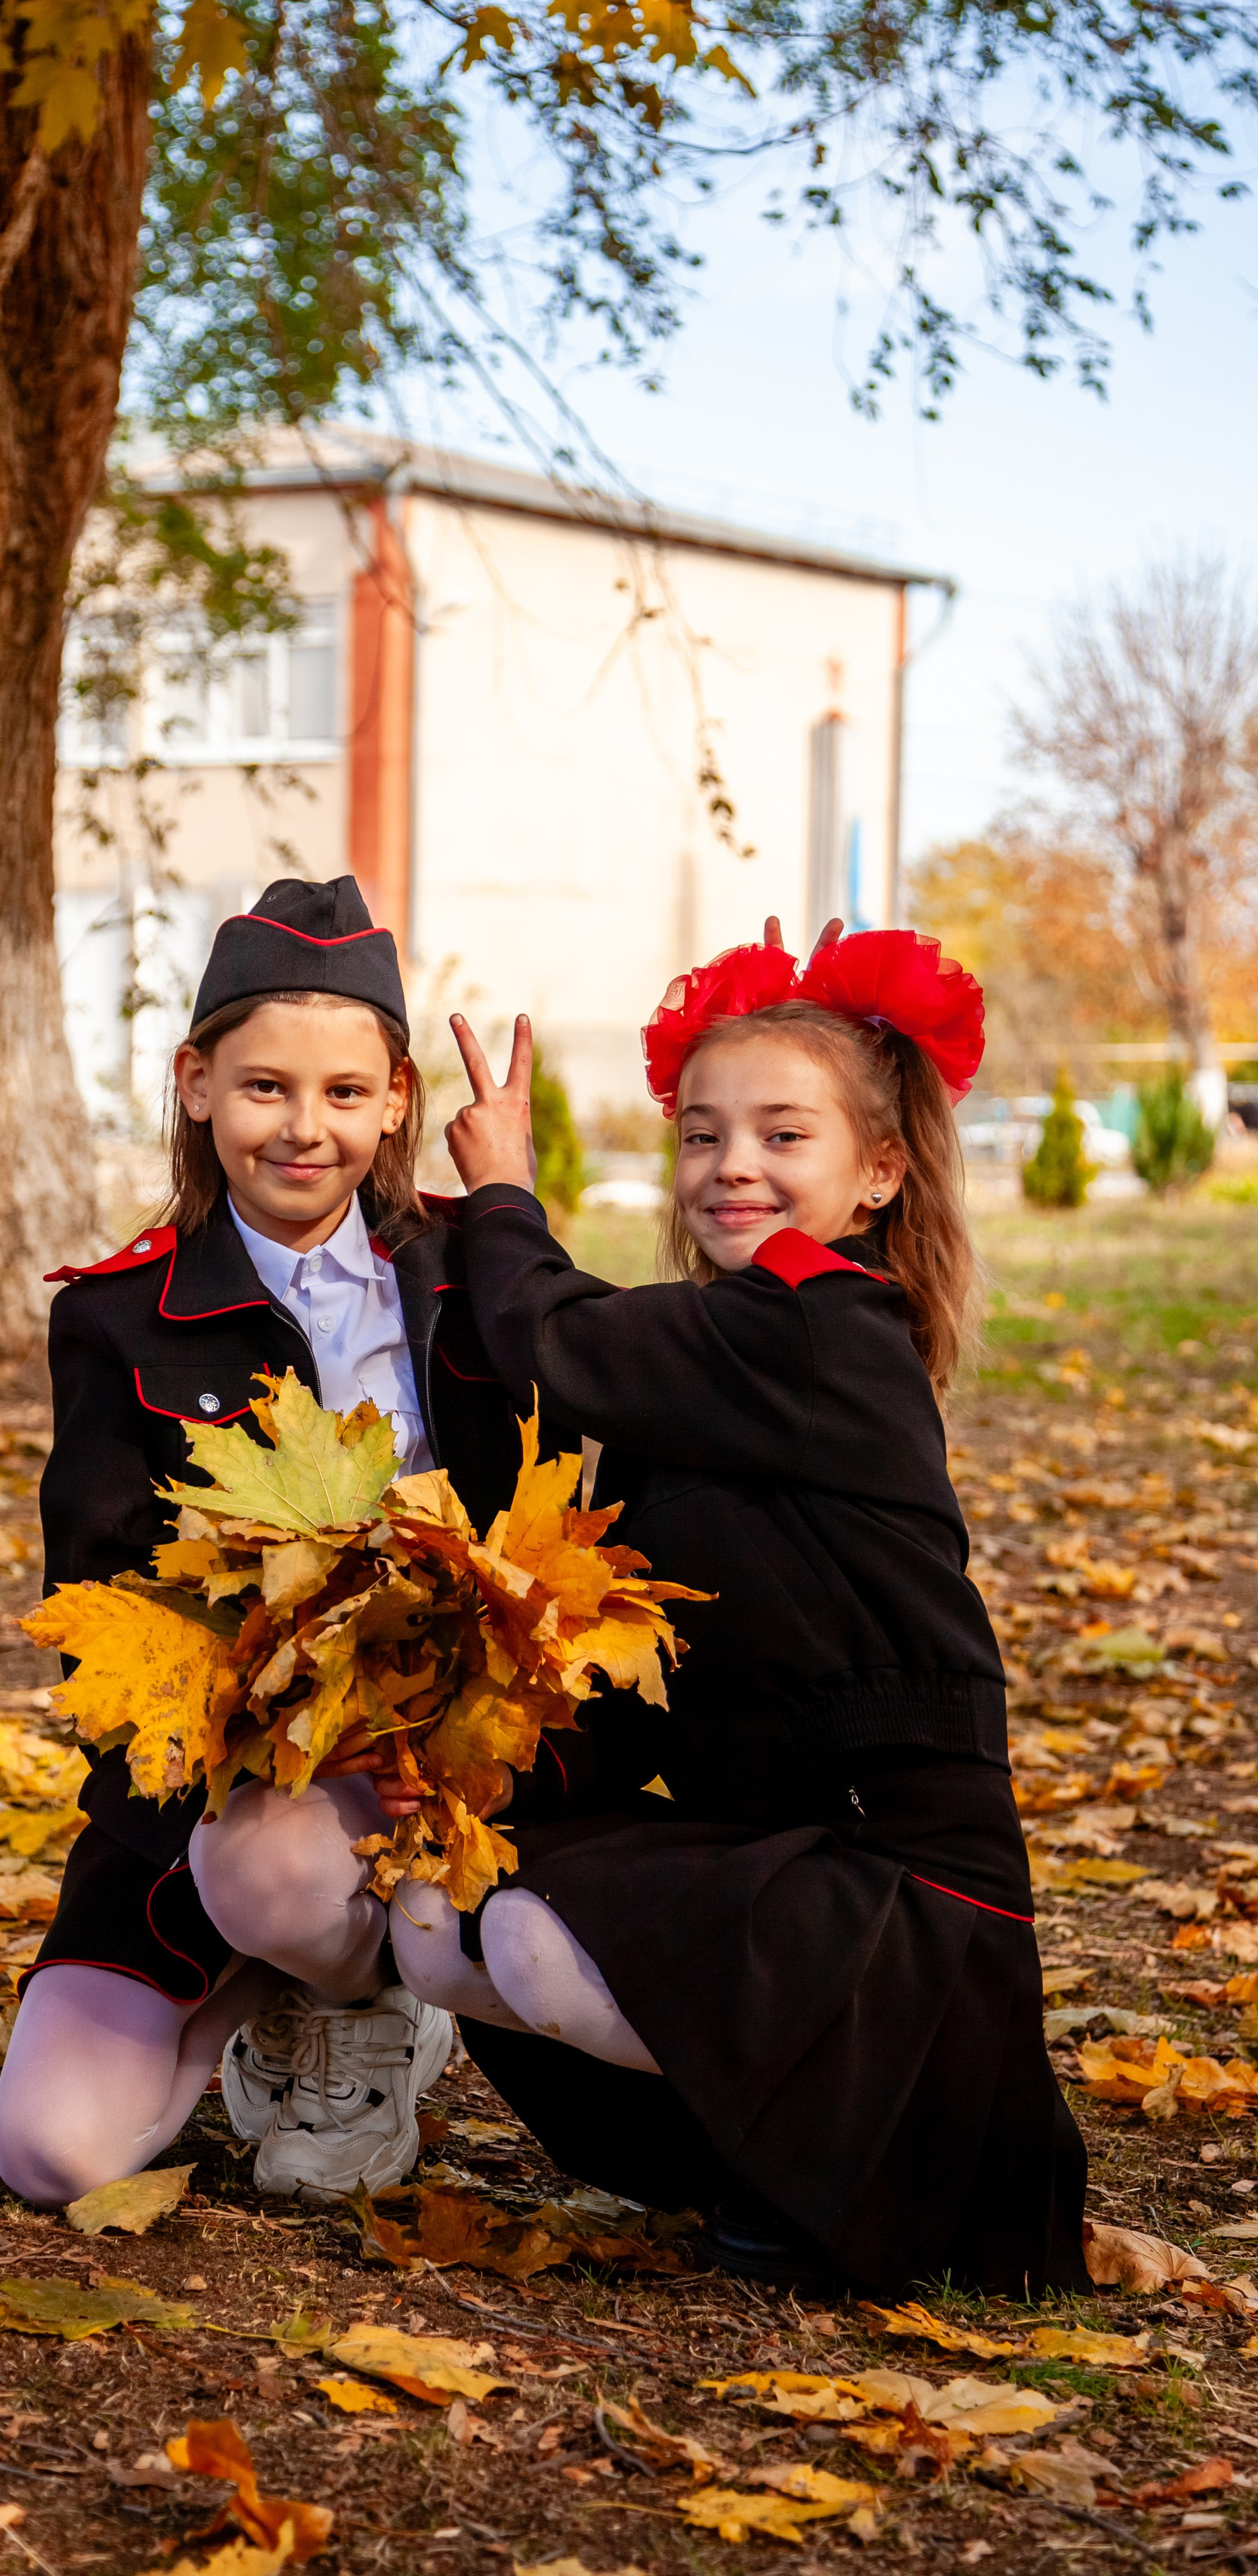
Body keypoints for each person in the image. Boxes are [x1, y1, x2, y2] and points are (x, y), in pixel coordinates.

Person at [385, 918, 1089, 2298]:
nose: (733, 1167)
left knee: (531, 1930)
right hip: (772, 1838)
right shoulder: (725, 1348)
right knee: (437, 1914)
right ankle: (745, 2153)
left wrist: (505, 1190)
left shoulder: (823, 1328)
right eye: (701, 1137)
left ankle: (825, 2159)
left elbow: (559, 1338)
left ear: (878, 1173)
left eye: (781, 1136)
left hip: (902, 1893)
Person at [0, 875, 538, 2210]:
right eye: (263, 1088)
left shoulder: (478, 1271)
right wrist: (250, 1742)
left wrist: (514, 1193)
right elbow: (99, 1608)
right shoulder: (121, 1319)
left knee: (280, 1873)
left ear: (397, 1100)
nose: (305, 1129)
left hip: (449, 1770)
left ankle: (366, 2007)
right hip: (223, 1784)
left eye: (345, 1094)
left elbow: (567, 1495)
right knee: (51, 2154)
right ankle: (298, 1969)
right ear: (195, 1084)